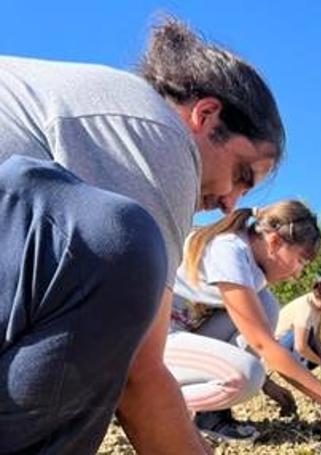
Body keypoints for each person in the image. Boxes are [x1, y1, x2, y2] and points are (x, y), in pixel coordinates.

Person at [0, 19, 285, 454]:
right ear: (206, 116)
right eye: (241, 175)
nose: (232, 204)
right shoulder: (159, 136)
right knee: (121, 245)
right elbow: (141, 378)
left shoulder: (97, 105)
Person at [165, 200, 321, 442]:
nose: (297, 274)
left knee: (267, 305)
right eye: (300, 261)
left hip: (181, 336)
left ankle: (211, 417)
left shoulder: (252, 268)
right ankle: (142, 401)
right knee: (246, 377)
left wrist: (268, 384)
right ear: (274, 242)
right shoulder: (229, 250)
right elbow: (262, 342)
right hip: (149, 344)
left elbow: (251, 336)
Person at [276, 278, 321, 372]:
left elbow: (316, 336)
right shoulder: (305, 309)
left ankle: (300, 367)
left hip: (297, 345)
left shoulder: (318, 308)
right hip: (281, 345)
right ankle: (294, 368)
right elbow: (300, 346)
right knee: (308, 333)